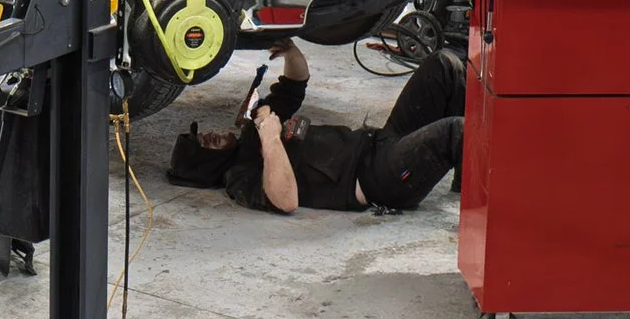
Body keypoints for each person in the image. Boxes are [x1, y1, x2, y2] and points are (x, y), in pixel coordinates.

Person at [166, 39, 466, 216]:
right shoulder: (239, 177)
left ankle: (467, 180)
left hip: (381, 141)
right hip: (378, 179)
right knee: (455, 132)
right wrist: (271, 138)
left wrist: (291, 53)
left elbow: (293, 89)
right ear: (207, 166)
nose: (208, 135)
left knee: (444, 66)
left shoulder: (250, 131)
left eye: (202, 134)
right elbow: (285, 201)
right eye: (204, 144)